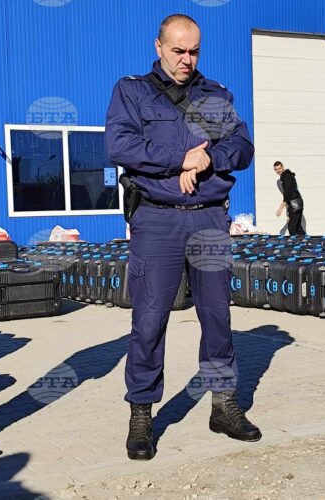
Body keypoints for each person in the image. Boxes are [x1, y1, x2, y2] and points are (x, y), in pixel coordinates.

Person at [105, 14, 258, 462]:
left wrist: (207, 159)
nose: (186, 59)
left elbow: (243, 147)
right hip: (157, 220)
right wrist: (180, 158)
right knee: (149, 320)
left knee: (217, 316)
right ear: (158, 47)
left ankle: (224, 405)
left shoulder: (216, 95)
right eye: (178, 51)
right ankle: (141, 414)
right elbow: (120, 146)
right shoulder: (132, 92)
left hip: (209, 218)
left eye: (193, 51)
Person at [273, 161, 306, 236]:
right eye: (276, 169)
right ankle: (306, 241)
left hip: (295, 203)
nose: (278, 171)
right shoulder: (286, 176)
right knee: (297, 227)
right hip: (296, 202)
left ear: (283, 167)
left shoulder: (286, 176)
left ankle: (295, 242)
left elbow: (287, 194)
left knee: (292, 227)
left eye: (279, 168)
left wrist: (280, 209)